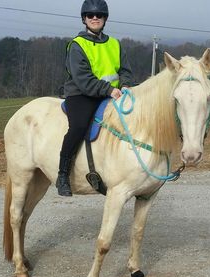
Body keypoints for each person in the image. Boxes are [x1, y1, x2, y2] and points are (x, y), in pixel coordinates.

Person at [56, 0, 134, 196]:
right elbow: (83, 79)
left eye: (99, 15)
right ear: (84, 18)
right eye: (90, 15)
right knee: (79, 126)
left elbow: (125, 69)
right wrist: (108, 89)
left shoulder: (115, 44)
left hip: (112, 94)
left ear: (105, 18)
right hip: (82, 94)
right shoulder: (77, 45)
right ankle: (62, 174)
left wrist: (124, 84)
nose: (95, 18)